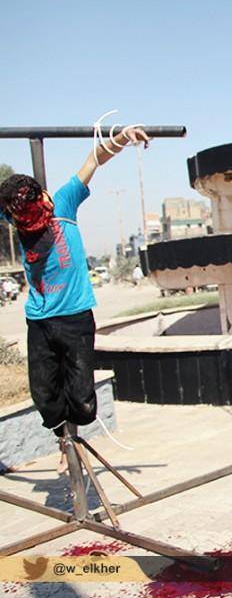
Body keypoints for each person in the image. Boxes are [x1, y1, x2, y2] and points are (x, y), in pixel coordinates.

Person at [0, 125, 150, 472]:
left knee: (82, 400)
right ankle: (62, 440)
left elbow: (93, 159)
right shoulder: (14, 216)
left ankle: (74, 437)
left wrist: (122, 138)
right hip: (39, 319)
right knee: (44, 395)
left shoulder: (63, 202)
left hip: (75, 317)